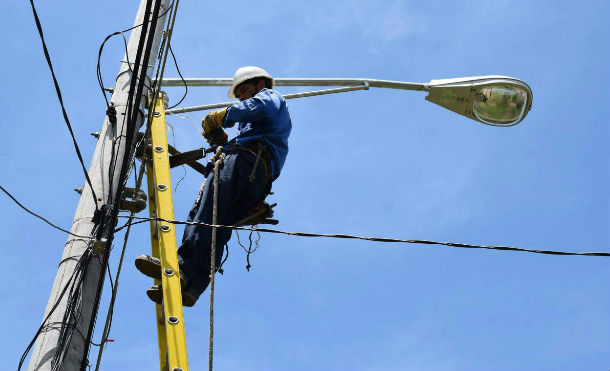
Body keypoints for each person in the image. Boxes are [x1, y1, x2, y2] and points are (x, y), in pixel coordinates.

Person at [135, 66, 292, 306]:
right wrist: (221, 144)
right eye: (237, 94)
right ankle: (191, 285)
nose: (241, 96)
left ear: (261, 84)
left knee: (206, 210)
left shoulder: (269, 97)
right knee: (217, 226)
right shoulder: (257, 129)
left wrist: (220, 117)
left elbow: (255, 107)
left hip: (246, 163)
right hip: (254, 178)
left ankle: (180, 268)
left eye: (244, 89)